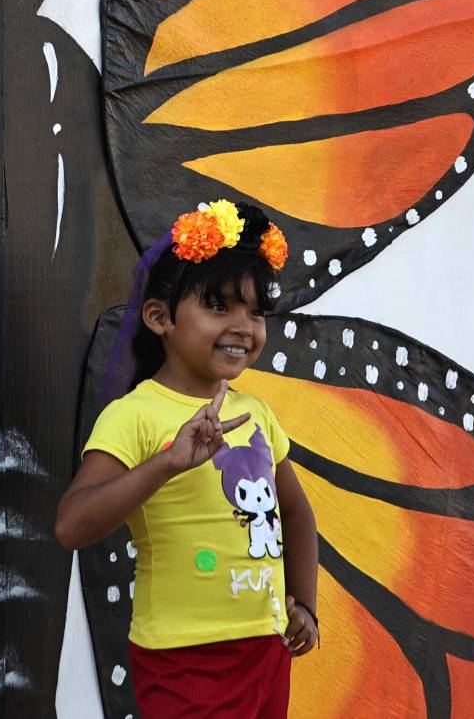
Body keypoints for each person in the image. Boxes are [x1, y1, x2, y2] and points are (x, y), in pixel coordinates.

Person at [56, 199, 319, 719]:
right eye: (219, 306)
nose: (244, 326)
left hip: (266, 650)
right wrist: (167, 463)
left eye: (256, 312)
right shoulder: (135, 415)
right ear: (159, 317)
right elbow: (71, 526)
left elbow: (296, 512)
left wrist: (304, 602)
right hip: (184, 659)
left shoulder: (257, 413)